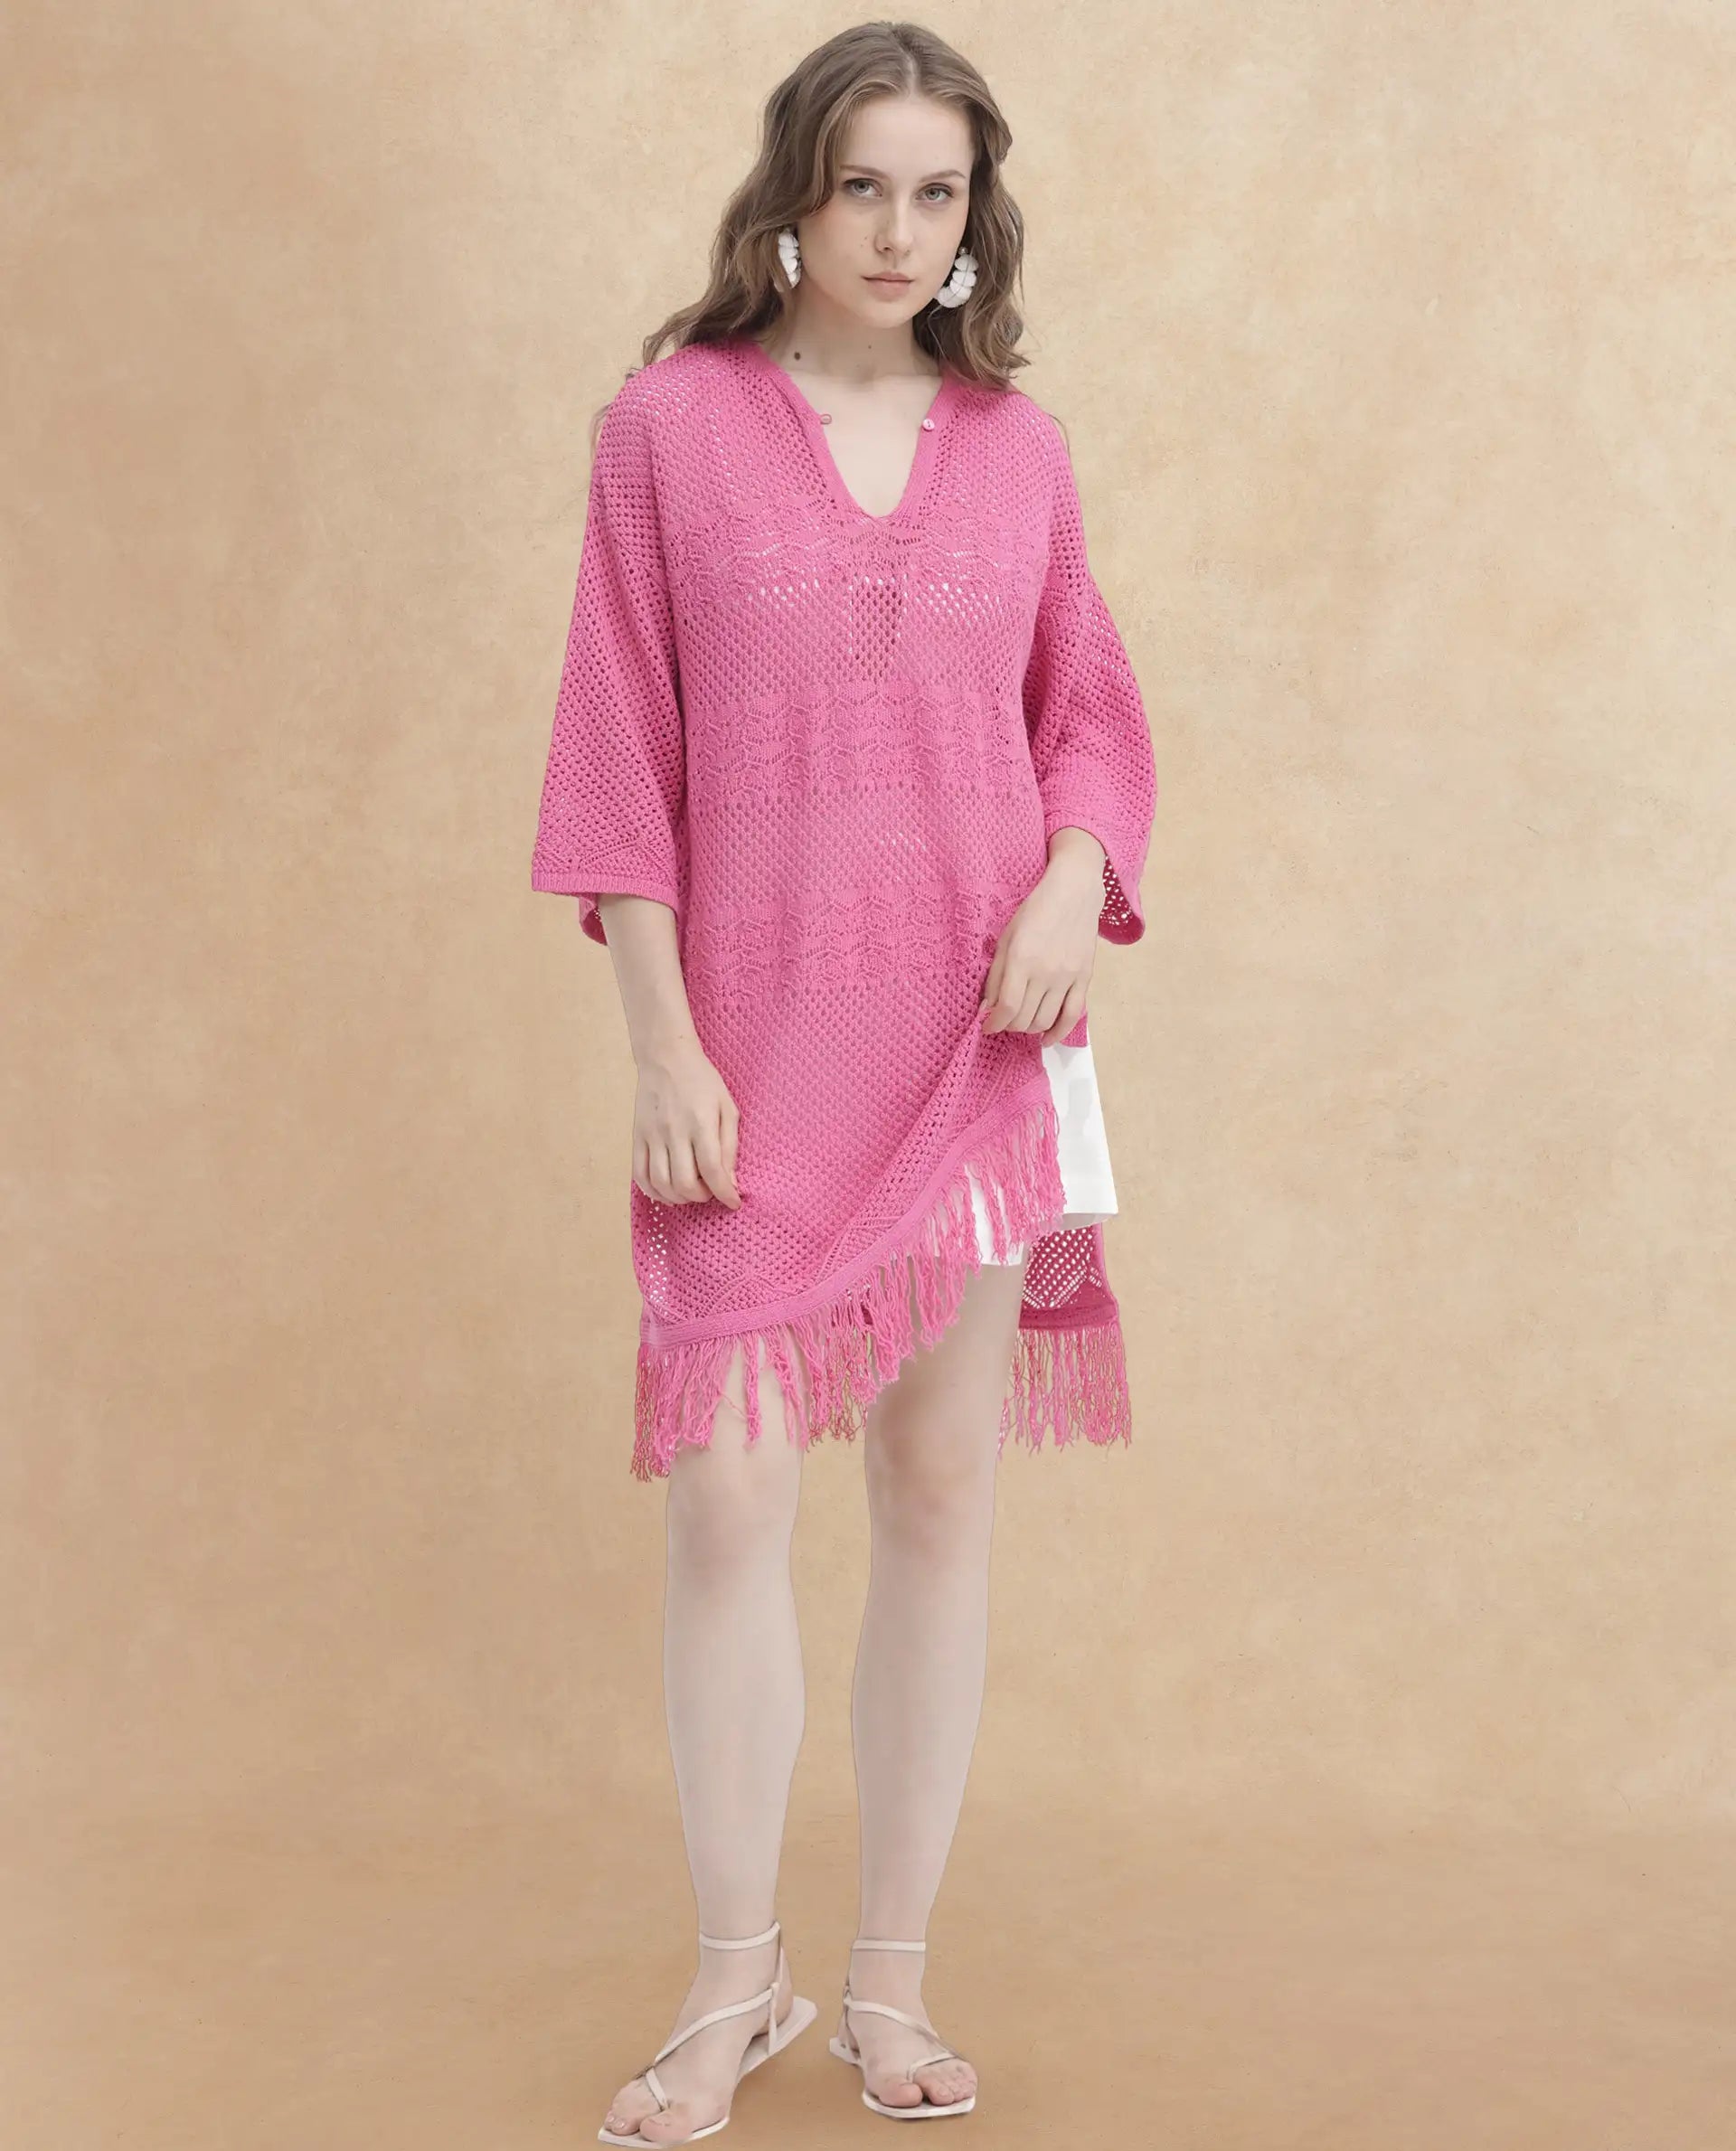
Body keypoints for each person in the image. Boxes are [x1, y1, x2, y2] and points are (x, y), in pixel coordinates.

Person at [530, 24, 1157, 2145]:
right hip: (749, 1042)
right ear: (792, 191)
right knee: (726, 1496)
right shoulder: (668, 433)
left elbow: (1092, 718)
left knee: (939, 1485)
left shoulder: (1019, 452)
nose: (900, 229)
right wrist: (659, 1040)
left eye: (938, 191)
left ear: (977, 217)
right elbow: (614, 749)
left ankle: (889, 1979)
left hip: (974, 1042)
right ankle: (737, 1980)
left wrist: (1069, 881)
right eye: (864, 183)